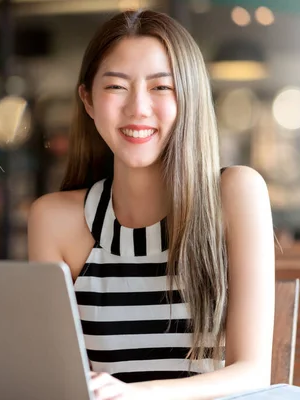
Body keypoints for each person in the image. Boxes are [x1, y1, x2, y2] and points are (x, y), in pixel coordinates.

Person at [28, 9, 274, 400]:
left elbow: (253, 372)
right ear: (88, 100)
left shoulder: (236, 193)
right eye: (116, 87)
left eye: (161, 87)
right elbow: (56, 376)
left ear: (189, 98)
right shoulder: (54, 220)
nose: (138, 108)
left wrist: (138, 395)